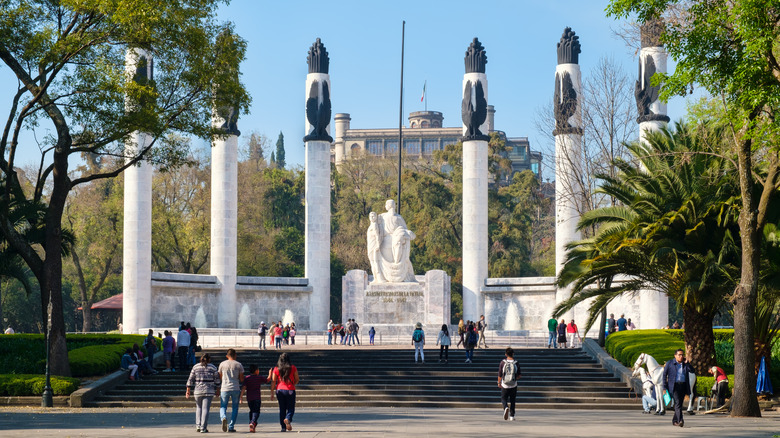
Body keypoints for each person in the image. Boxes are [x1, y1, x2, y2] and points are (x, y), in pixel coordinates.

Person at [186, 353, 220, 433]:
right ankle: (203, 427)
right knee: (205, 409)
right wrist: (218, 390)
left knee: (199, 408)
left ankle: (198, 425)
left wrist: (188, 389)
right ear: (209, 359)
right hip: (209, 390)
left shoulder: (196, 367)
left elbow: (190, 379)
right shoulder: (213, 367)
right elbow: (217, 380)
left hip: (198, 390)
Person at [663, 349, 695, 427]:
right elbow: (664, 375)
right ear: (675, 356)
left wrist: (688, 364)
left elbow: (692, 370)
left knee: (679, 404)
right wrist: (664, 387)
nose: (681, 356)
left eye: (682, 355)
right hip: (674, 386)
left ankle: (674, 420)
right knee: (677, 403)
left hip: (683, 385)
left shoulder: (685, 364)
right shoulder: (670, 363)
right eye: (679, 355)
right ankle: (680, 420)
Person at [218, 348, 245, 432]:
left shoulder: (222, 364)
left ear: (227, 356)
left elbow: (220, 377)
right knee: (235, 408)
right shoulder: (239, 365)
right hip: (235, 388)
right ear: (235, 355)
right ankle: (231, 426)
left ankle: (223, 417)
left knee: (223, 406)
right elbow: (241, 379)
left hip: (224, 388)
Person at [271, 352, 299, 432]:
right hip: (290, 390)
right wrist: (292, 384)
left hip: (280, 390)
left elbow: (273, 381)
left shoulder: (276, 369)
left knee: (282, 409)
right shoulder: (292, 367)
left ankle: (283, 427)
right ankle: (288, 418)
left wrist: (272, 392)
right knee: (291, 408)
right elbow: (297, 379)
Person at [240, 364, 271, 433]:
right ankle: (253, 422)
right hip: (257, 398)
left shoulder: (247, 378)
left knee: (251, 411)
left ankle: (252, 427)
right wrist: (270, 373)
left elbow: (244, 388)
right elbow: (267, 380)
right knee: (256, 411)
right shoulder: (259, 377)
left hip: (249, 398)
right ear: (256, 371)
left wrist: (241, 397)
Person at [498, 347, 520, 421]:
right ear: (513, 354)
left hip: (505, 384)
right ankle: (512, 416)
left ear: (506, 354)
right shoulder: (516, 363)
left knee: (503, 398)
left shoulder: (503, 362)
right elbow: (519, 375)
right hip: (513, 384)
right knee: (513, 400)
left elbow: (500, 374)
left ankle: (505, 407)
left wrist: (499, 382)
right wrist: (514, 378)